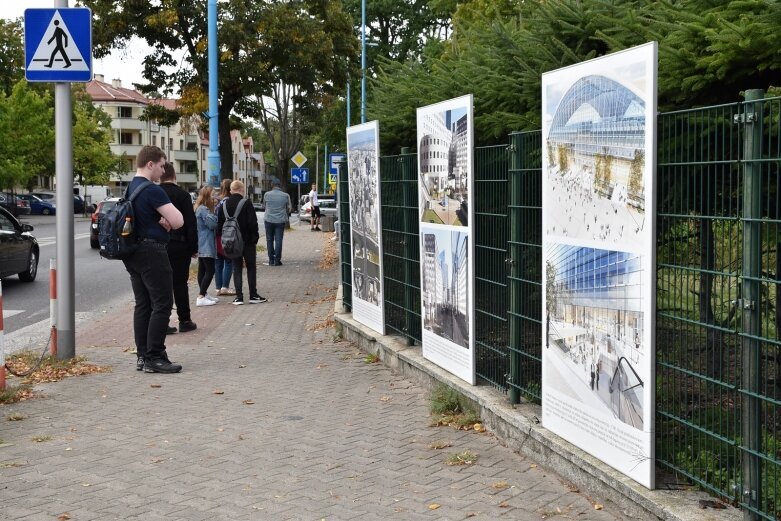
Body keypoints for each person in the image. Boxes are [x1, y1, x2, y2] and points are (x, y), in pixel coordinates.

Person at [122, 145, 184, 374]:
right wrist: (167, 221)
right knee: (162, 302)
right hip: (152, 252)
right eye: (161, 165)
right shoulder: (152, 189)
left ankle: (142, 355)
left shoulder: (130, 188)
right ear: (150, 164)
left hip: (133, 252)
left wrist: (160, 219)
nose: (163, 169)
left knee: (143, 304)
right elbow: (178, 221)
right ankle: (155, 356)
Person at [160, 163, 198, 333]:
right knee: (180, 284)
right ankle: (185, 320)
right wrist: (194, 247)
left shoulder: (155, 193)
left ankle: (162, 322)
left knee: (161, 285)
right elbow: (190, 223)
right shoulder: (183, 195)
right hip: (180, 245)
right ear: (174, 176)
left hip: (159, 245)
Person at [217, 180, 266, 305]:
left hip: (232, 242)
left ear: (231, 190)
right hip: (247, 242)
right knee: (250, 267)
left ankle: (239, 297)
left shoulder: (224, 205)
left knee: (236, 268)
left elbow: (219, 226)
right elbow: (253, 224)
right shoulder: (246, 203)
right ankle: (253, 295)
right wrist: (254, 239)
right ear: (242, 189)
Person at [194, 186, 219, 306]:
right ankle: (201, 296)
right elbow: (213, 224)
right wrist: (215, 215)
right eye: (213, 195)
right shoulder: (204, 209)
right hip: (206, 243)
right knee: (210, 270)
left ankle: (204, 294)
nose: (215, 197)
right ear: (207, 196)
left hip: (203, 243)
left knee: (202, 270)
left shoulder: (201, 208)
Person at [262, 178, 291, 266]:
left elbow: (264, 206)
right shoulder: (286, 195)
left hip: (269, 220)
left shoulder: (267, 194)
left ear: (272, 185)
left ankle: (271, 260)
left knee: (269, 240)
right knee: (278, 240)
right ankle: (277, 260)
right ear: (280, 185)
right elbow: (289, 208)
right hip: (280, 220)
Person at [214, 179, 235, 296]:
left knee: (218, 262)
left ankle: (218, 288)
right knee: (228, 261)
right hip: (226, 233)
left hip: (216, 234)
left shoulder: (217, 200)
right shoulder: (229, 201)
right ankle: (225, 287)